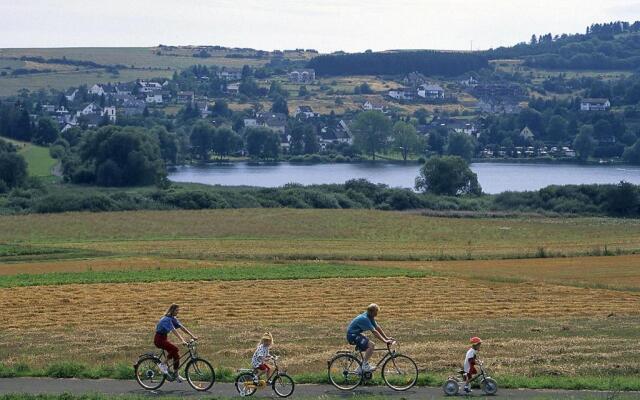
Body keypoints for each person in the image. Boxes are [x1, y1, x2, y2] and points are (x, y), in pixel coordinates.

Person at [154, 304, 198, 381]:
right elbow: (174, 331)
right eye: (176, 310)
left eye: (178, 310)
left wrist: (192, 336)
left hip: (164, 338)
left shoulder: (172, 318)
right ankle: (162, 365)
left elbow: (182, 327)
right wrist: (182, 340)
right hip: (159, 340)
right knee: (175, 349)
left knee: (176, 356)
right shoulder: (166, 319)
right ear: (172, 310)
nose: (178, 312)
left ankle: (176, 375)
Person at [346, 303, 394, 372]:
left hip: (356, 334)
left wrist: (386, 338)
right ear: (371, 312)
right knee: (371, 345)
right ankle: (364, 365)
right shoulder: (365, 319)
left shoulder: (370, 316)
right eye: (376, 312)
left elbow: (377, 327)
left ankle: (361, 368)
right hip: (352, 335)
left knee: (370, 344)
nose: (376, 314)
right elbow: (374, 332)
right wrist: (385, 341)